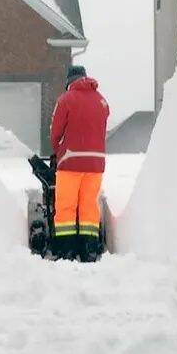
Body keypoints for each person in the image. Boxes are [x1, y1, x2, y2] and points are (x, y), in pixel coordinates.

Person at [49, 64, 110, 261]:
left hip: (70, 162)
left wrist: (58, 151)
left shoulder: (66, 99)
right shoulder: (102, 101)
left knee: (66, 207)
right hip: (96, 164)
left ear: (69, 81)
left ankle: (66, 251)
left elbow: (55, 133)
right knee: (89, 207)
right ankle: (89, 250)